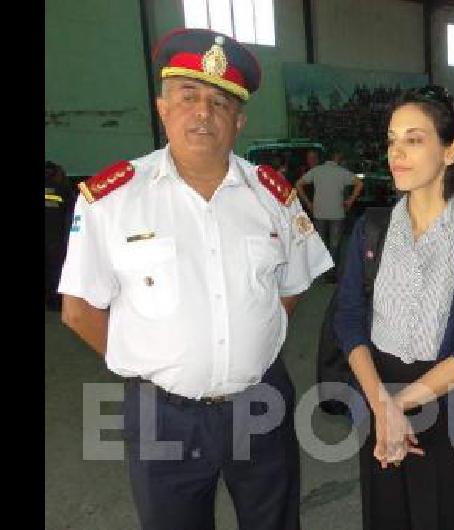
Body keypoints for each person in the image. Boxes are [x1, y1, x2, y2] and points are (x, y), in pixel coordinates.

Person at [58, 28, 333, 530]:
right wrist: (159, 365)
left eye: (219, 102)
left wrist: (246, 345)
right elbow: (78, 309)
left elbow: (293, 286)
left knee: (274, 521)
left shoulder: (272, 197)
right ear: (163, 108)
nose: (203, 113)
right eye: (188, 97)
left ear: (239, 119)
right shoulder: (113, 200)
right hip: (163, 415)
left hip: (260, 402)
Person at [334, 85, 454, 530]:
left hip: (446, 401)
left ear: (450, 151)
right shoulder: (370, 230)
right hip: (378, 389)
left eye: (414, 139)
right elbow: (349, 321)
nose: (397, 153)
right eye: (392, 140)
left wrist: (398, 407)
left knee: (444, 516)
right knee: (385, 515)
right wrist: (381, 405)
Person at [295, 149, 364, 280]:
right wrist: (350, 200)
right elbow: (359, 184)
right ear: (338, 158)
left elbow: (298, 184)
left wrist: (308, 203)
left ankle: (320, 270)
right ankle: (331, 274)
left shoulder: (317, 171)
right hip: (337, 213)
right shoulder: (342, 172)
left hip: (319, 212)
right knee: (335, 244)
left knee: (321, 243)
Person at [45, 160, 76, 311]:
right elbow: (72, 211)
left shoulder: (62, 188)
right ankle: (55, 301)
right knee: (56, 269)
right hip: (56, 236)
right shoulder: (62, 188)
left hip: (55, 236)